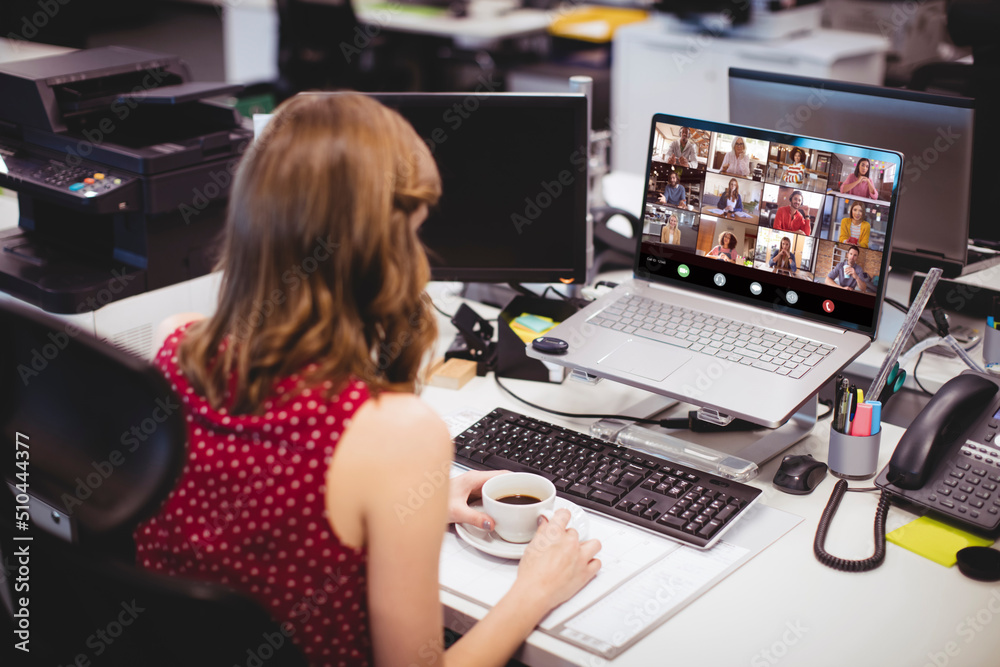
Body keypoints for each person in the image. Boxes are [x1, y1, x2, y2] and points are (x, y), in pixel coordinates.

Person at [134, 94, 601, 666]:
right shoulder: (394, 433)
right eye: (415, 232)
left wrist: (406, 503)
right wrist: (537, 589)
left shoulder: (173, 345)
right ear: (381, 248)